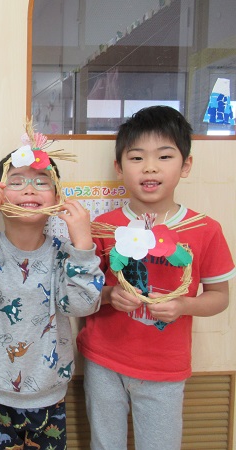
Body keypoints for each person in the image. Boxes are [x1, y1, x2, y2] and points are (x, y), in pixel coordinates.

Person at [76, 105, 236, 449]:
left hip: (165, 368)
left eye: (164, 156)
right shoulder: (103, 227)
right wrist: (109, 295)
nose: (150, 167)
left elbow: (220, 297)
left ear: (186, 165)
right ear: (119, 168)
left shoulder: (204, 229)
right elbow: (82, 292)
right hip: (103, 360)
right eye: (136, 158)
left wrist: (184, 306)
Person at [0, 149, 103, 449]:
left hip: (51, 393)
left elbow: (82, 305)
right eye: (16, 181)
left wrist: (83, 243)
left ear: (57, 197)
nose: (29, 189)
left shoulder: (66, 253)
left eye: (41, 182)